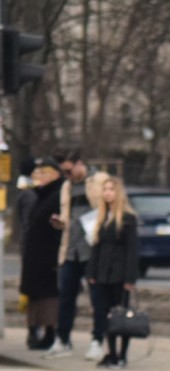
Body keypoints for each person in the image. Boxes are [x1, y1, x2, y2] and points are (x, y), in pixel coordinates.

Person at [44, 151, 99, 359]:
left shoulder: (98, 181)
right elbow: (68, 217)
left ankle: (97, 340)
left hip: (91, 251)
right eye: (63, 171)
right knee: (66, 297)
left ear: (79, 164)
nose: (66, 174)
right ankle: (63, 339)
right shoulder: (66, 187)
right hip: (69, 251)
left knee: (97, 299)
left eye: (68, 170)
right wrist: (60, 223)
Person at [86, 176, 139, 369]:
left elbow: (132, 250)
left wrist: (130, 278)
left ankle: (122, 355)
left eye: (111, 189)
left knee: (121, 316)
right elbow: (96, 248)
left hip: (120, 275)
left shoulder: (127, 218)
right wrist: (91, 273)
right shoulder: (100, 217)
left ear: (118, 193)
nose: (108, 192)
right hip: (101, 275)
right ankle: (111, 352)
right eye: (105, 189)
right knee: (105, 315)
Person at [19, 159, 64, 350]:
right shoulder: (38, 195)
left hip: (47, 257)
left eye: (43, 174)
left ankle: (50, 333)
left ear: (53, 175)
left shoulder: (56, 195)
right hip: (34, 256)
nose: (38, 178)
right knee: (35, 296)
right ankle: (34, 331)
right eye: (37, 174)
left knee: (48, 297)